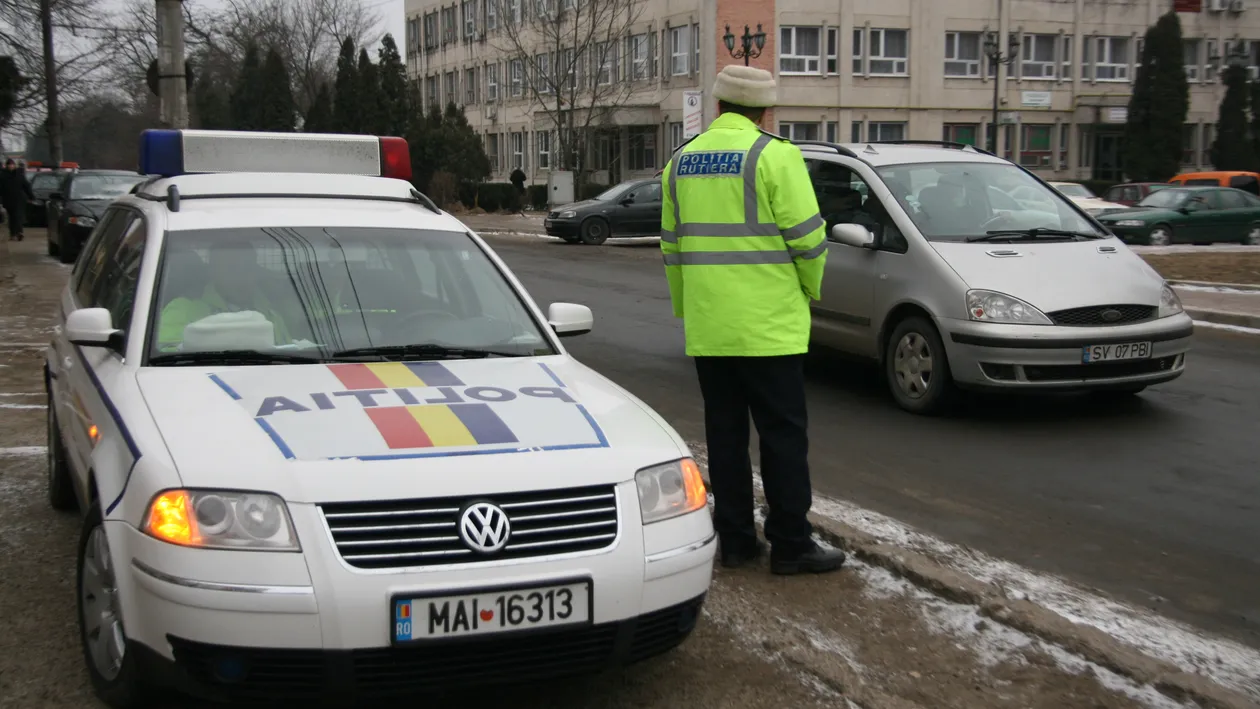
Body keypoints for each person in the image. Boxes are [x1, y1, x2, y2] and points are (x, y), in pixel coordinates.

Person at [660, 65, 846, 576]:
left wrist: (688, 308)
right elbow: (810, 240)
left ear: (718, 106)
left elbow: (672, 249)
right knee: (782, 436)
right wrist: (810, 289)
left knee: (724, 436)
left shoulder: (680, 162)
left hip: (710, 329)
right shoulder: (775, 156)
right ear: (765, 110)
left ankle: (737, 542)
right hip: (770, 329)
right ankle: (790, 543)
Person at [156, 245, 299, 351]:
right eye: (232, 269)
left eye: (247, 268)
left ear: (256, 272)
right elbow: (164, 354)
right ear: (213, 272)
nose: (241, 277)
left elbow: (287, 350)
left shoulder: (269, 312)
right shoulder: (184, 308)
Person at [0, 159, 34, 241]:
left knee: (18, 215)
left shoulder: (19, 174)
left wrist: (31, 196)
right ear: (6, 166)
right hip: (8, 199)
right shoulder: (2, 175)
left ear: (15, 165)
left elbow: (26, 186)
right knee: (12, 217)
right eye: (9, 165)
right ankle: (13, 233)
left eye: (12, 165)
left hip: (19, 199)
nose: (11, 166)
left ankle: (19, 232)